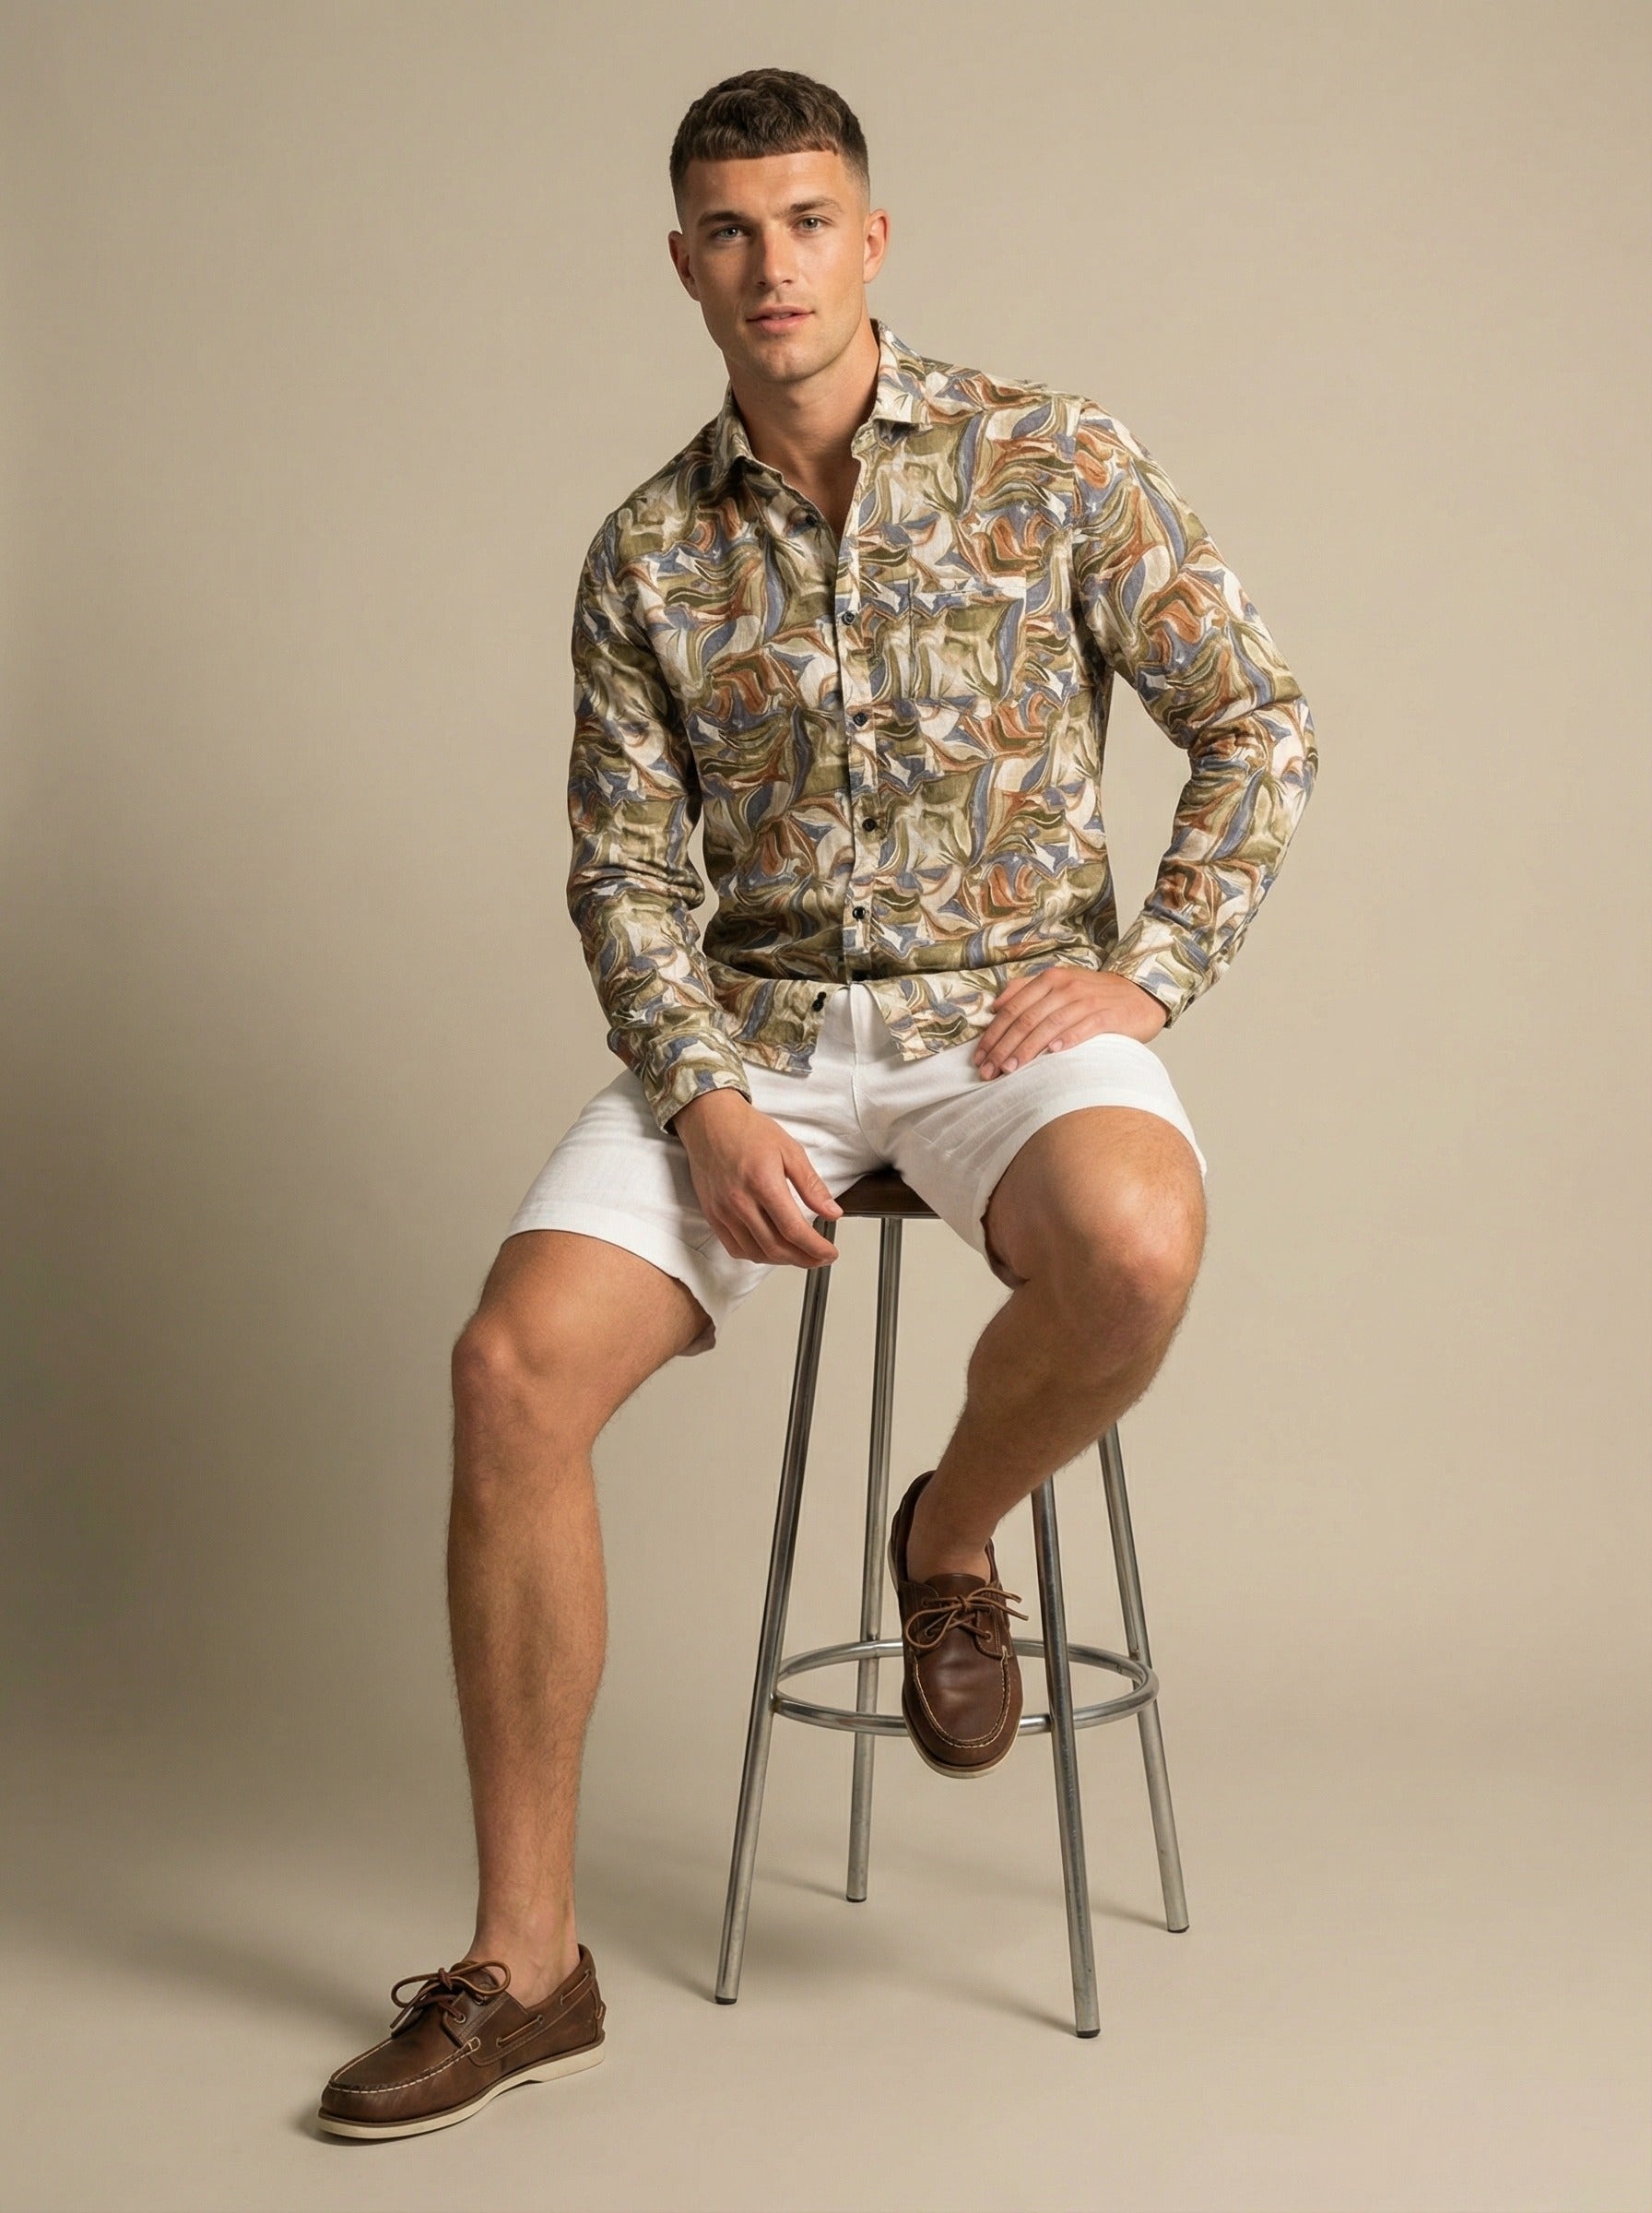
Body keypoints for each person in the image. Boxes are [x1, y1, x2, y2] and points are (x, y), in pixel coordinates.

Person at [315, 65, 1316, 2141]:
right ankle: (527, 1966)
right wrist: (698, 1097)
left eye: (804, 221)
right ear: (682, 264)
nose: (771, 265)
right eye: (728, 231)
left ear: (871, 239)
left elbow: (1255, 722)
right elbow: (625, 876)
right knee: (506, 1372)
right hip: (753, 1037)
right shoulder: (645, 552)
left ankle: (946, 1531)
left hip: (999, 1025)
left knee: (1138, 1249)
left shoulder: (1053, 461)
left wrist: (1150, 969)